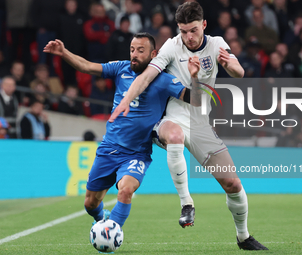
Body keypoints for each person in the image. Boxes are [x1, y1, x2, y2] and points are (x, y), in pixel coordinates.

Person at [109, 2, 267, 250]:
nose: (188, 37)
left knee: (233, 184)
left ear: (204, 25)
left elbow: (239, 72)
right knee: (174, 135)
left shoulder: (216, 44)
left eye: (193, 30)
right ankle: (187, 204)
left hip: (201, 122)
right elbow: (147, 76)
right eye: (183, 31)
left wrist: (228, 64)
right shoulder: (172, 46)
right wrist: (126, 100)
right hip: (172, 117)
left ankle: (243, 237)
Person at [43, 33, 200, 232]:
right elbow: (87, 66)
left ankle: (112, 233)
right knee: (90, 204)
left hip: (137, 153)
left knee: (125, 191)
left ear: (153, 54)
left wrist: (194, 76)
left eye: (140, 51)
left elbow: (195, 100)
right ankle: (101, 219)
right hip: (109, 148)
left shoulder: (163, 80)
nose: (134, 54)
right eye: (132, 50)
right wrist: (63, 52)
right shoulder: (121, 68)